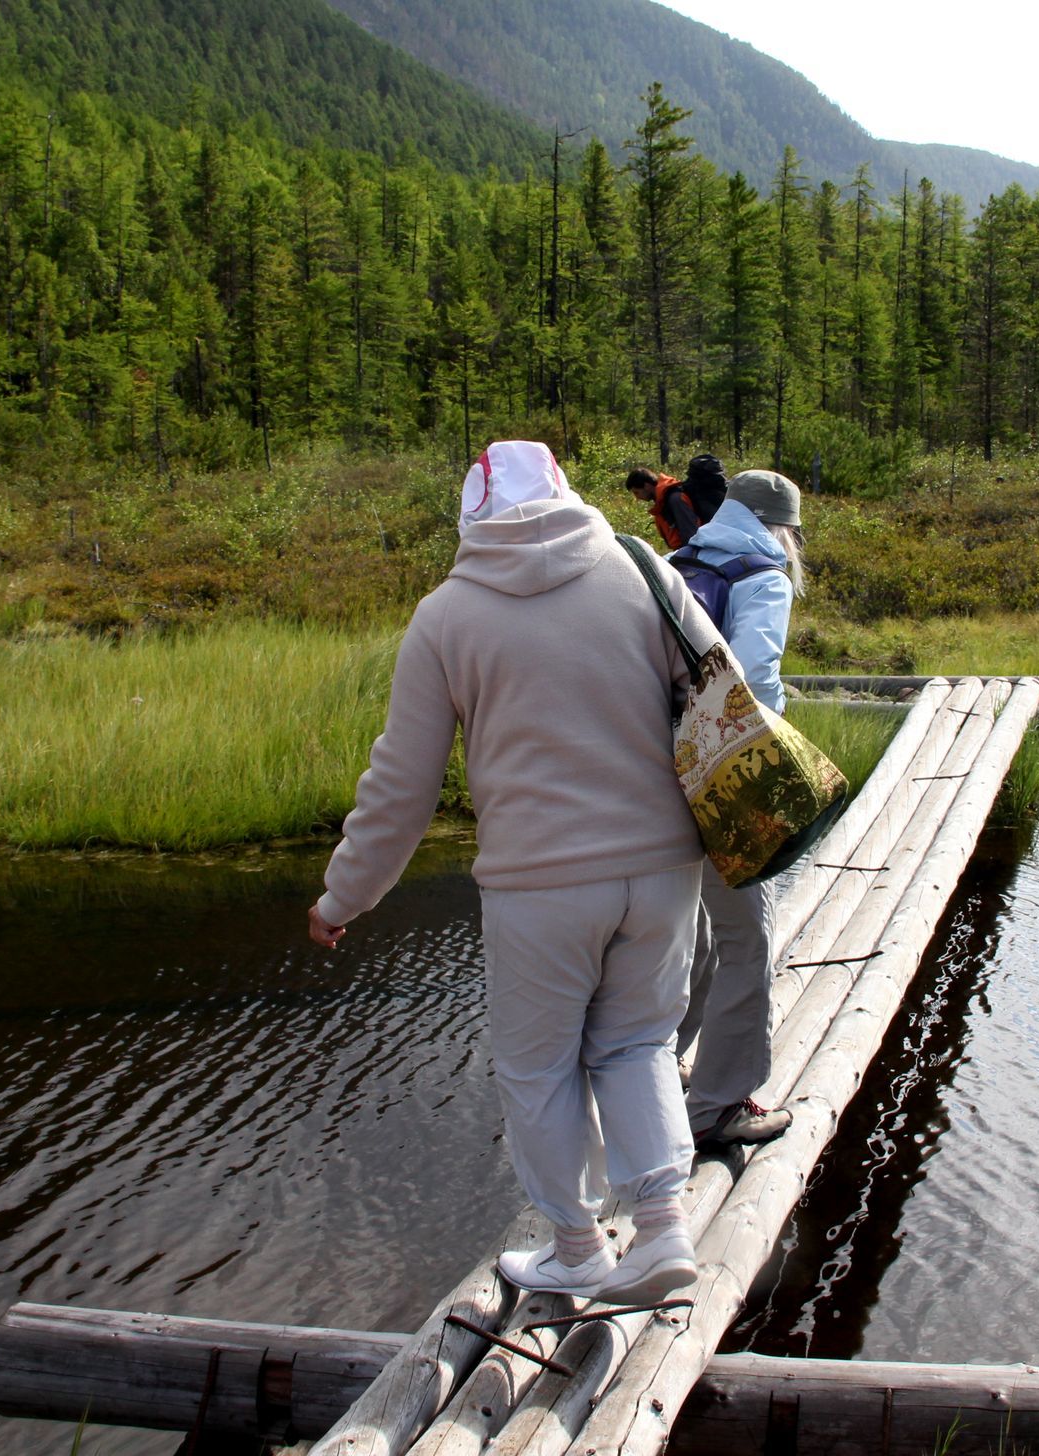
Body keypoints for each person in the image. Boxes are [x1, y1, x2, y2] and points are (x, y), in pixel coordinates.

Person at [307, 440, 721, 1302]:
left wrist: (344, 894)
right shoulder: (642, 570)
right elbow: (726, 686)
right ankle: (662, 1232)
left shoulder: (447, 615)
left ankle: (576, 1248)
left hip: (541, 889)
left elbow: (402, 786)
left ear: (473, 513)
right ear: (566, 492)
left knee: (538, 1068)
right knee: (638, 1043)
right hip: (665, 869)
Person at [669, 468, 807, 1149]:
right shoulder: (763, 574)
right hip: (723, 781)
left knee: (690, 935)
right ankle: (719, 1106)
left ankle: (660, 1064)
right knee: (747, 940)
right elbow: (750, 680)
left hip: (658, 774)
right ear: (783, 528)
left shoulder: (674, 561)